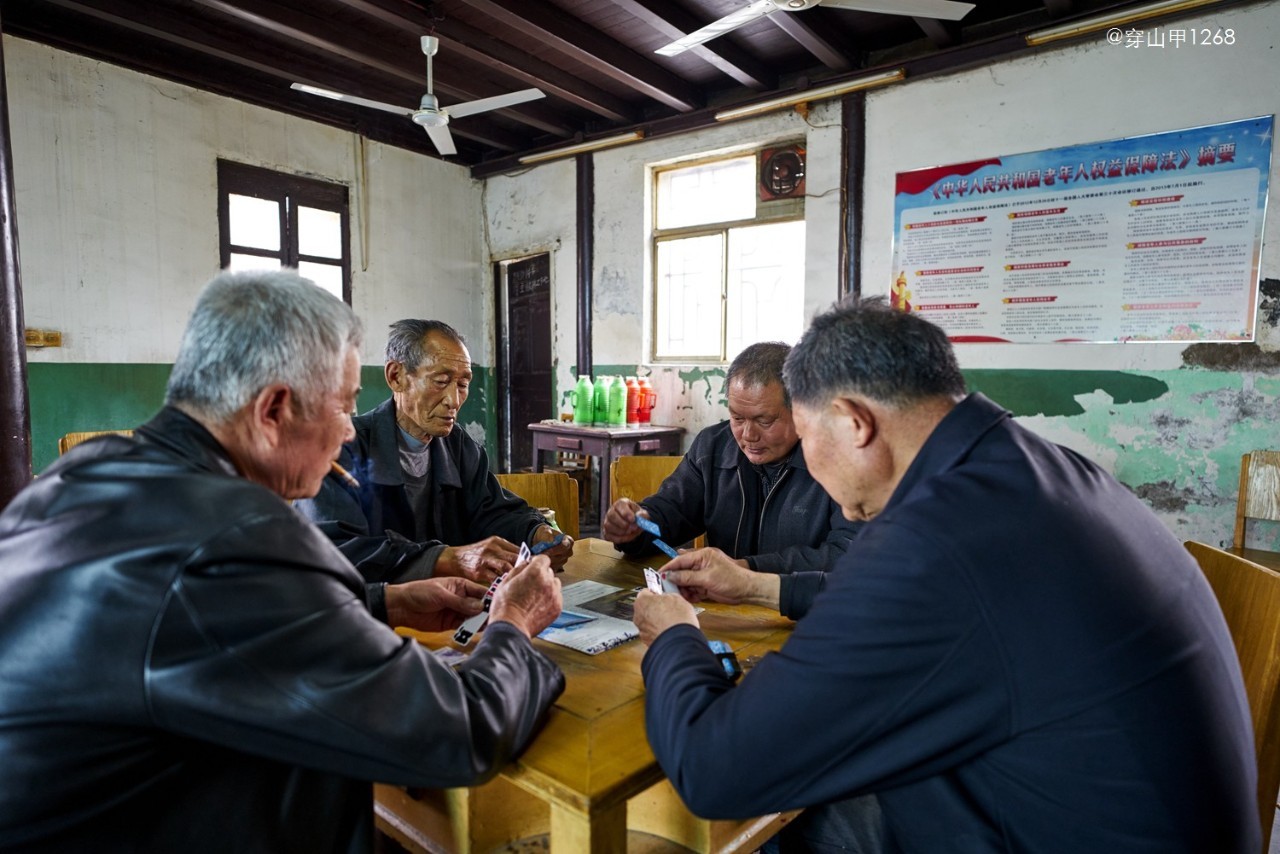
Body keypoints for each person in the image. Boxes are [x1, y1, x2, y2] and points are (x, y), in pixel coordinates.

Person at [633, 298, 1258, 853]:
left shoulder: (934, 541)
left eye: (803, 434)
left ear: (854, 422)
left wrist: (675, 637)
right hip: (1095, 803)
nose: (810, 465)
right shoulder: (1038, 469)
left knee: (762, 816)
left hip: (1044, 826)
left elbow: (713, 769)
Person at [0, 271, 566, 852]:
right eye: (344, 407)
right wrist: (514, 620)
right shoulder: (240, 534)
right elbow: (461, 733)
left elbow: (205, 631)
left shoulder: (82, 474)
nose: (351, 429)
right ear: (273, 409)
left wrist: (384, 601)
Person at [296, 319, 574, 600]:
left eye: (463, 384)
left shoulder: (460, 447)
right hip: (373, 615)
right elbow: (337, 551)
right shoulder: (341, 450)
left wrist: (536, 531)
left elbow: (492, 511)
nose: (454, 400)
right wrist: (441, 558)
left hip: (448, 610)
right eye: (441, 382)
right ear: (396, 377)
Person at [602, 342, 859, 592]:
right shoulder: (713, 448)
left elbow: (847, 555)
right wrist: (640, 525)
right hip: (725, 611)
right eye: (737, 417)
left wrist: (745, 570)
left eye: (764, 420)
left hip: (804, 617)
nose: (748, 435)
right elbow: (671, 514)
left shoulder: (839, 460)